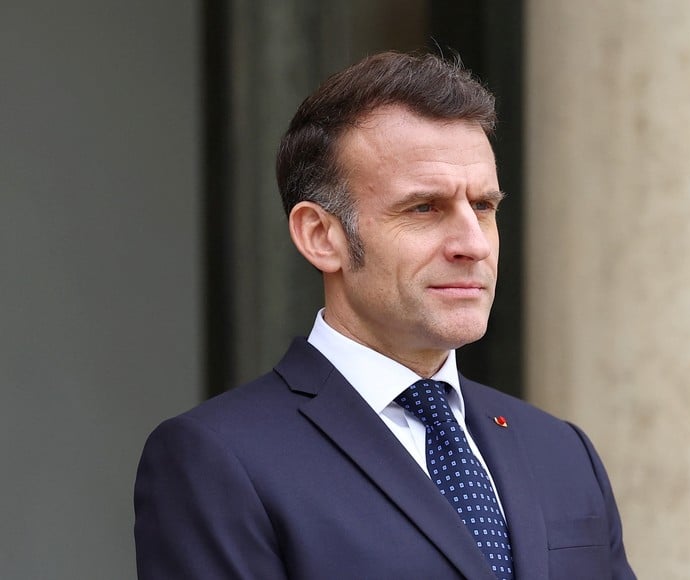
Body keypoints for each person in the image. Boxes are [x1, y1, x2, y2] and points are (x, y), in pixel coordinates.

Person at [134, 51, 635, 580]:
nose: (472, 244)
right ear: (321, 236)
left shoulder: (560, 449)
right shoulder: (217, 460)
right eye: (425, 208)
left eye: (484, 207)